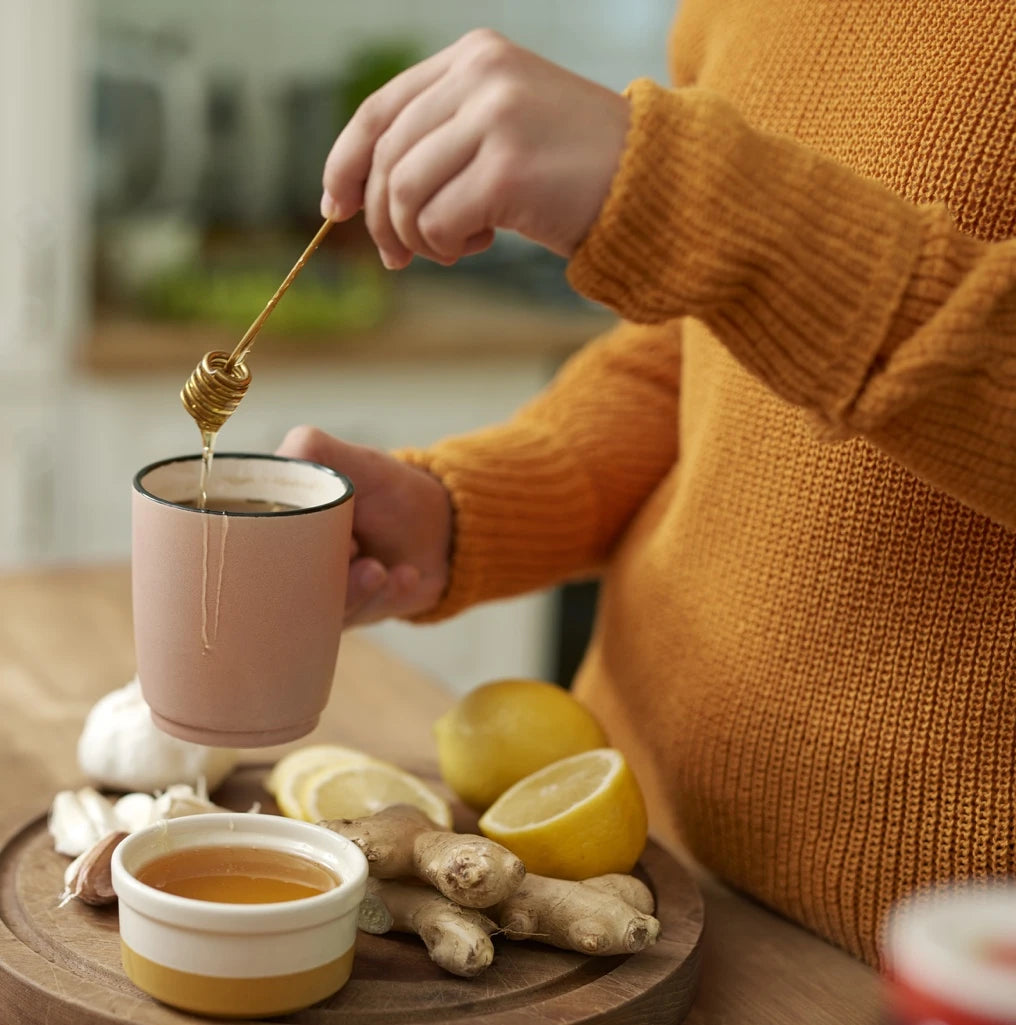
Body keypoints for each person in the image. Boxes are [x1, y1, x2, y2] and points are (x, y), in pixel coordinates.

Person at [276, 9, 1016, 966]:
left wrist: (697, 202)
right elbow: (698, 356)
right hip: (625, 874)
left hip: (941, 961)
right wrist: (463, 509)